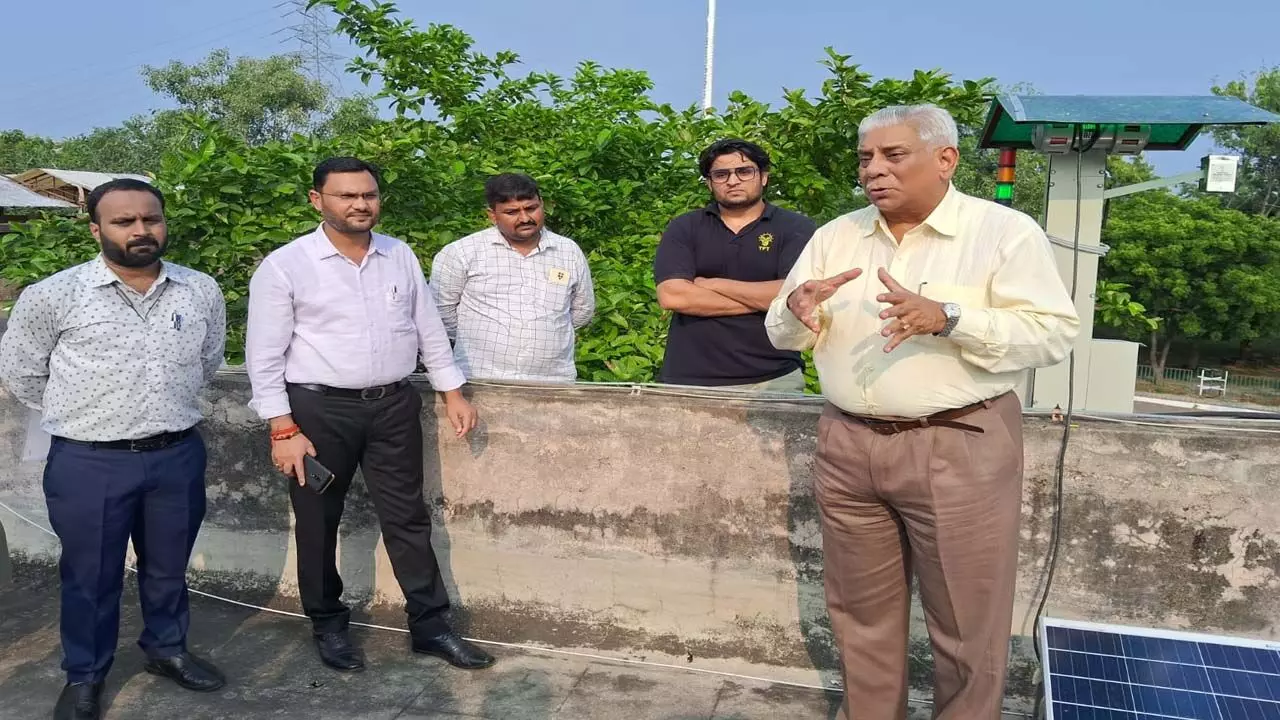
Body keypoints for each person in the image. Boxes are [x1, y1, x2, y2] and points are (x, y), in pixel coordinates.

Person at [765, 105, 1079, 719]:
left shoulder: (1002, 232)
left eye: (893, 155)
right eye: (865, 158)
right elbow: (783, 329)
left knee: (966, 621)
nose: (873, 170)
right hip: (848, 443)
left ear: (945, 160)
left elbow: (1052, 333)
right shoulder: (836, 236)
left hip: (958, 441)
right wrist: (796, 309)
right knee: (859, 612)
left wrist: (950, 318)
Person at [244, 157, 495, 674]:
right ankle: (328, 624)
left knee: (408, 516)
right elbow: (264, 356)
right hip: (318, 411)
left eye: (369, 194)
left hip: (393, 406)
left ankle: (430, 626)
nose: (360, 204)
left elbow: (427, 327)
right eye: (346, 195)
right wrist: (283, 428)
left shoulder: (398, 254)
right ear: (317, 200)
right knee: (318, 520)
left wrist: (452, 391)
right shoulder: (287, 265)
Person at [0, 178, 228, 720]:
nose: (140, 230)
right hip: (89, 461)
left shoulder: (199, 289)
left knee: (168, 568)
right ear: (96, 228)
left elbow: (209, 361)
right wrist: (88, 417)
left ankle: (166, 649)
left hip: (176, 455)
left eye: (151, 219)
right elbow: (22, 374)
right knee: (90, 576)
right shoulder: (53, 295)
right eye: (124, 221)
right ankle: (85, 675)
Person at [653, 139, 817, 391]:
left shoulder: (796, 227)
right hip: (688, 379)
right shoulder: (684, 227)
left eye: (744, 171)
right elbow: (673, 296)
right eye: (721, 174)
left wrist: (713, 284)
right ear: (709, 183)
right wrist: (768, 299)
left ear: (763, 177)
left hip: (773, 378)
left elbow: (798, 293)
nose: (733, 181)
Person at [430, 173, 595, 383]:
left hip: (553, 381)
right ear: (492, 215)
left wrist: (548, 334)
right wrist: (475, 339)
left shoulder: (568, 251)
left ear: (542, 204)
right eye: (512, 212)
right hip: (479, 378)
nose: (525, 218)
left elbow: (583, 309)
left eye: (531, 208)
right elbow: (440, 312)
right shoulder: (462, 253)